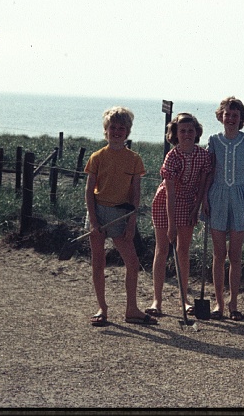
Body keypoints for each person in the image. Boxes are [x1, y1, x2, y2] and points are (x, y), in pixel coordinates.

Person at [84, 106, 156, 327]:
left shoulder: (134, 159)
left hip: (121, 214)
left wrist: (131, 222)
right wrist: (94, 221)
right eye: (112, 128)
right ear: (106, 130)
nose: (116, 132)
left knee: (132, 263)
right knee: (98, 261)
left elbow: (135, 194)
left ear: (127, 131)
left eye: (121, 128)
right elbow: (88, 191)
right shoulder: (97, 157)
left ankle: (131, 309)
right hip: (98, 212)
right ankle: (102, 308)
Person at [201, 97, 244, 321]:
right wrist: (204, 199)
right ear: (221, 115)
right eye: (227, 114)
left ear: (241, 119)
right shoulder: (213, 140)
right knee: (218, 255)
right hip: (217, 197)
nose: (230, 119)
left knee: (235, 256)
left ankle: (234, 305)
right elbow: (209, 172)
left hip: (241, 198)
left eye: (235, 115)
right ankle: (219, 304)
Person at [146, 113, 212, 317]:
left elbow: (202, 184)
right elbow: (171, 193)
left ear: (196, 132)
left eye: (190, 131)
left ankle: (184, 300)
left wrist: (197, 207)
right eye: (182, 131)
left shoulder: (203, 155)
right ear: (175, 133)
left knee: (183, 251)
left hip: (188, 203)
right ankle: (157, 300)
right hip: (166, 203)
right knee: (162, 249)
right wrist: (172, 225)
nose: (187, 135)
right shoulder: (172, 157)